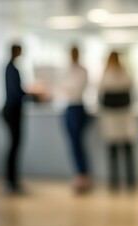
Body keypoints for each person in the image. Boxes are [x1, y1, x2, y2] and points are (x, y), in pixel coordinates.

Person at [99, 51, 136, 190]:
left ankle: (122, 182)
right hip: (114, 117)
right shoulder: (117, 73)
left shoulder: (117, 72)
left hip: (122, 117)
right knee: (117, 150)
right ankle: (120, 182)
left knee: (122, 150)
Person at [57, 46, 91, 193]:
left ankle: (83, 176)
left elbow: (74, 90)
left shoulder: (82, 70)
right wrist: (67, 90)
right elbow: (61, 88)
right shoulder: (66, 70)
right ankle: (79, 175)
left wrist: (67, 89)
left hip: (77, 108)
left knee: (77, 143)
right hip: (68, 108)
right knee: (72, 144)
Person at [2, 44, 26, 193]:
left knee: (15, 145)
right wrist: (32, 95)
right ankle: (11, 180)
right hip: (12, 111)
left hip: (13, 110)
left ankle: (12, 179)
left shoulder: (10, 68)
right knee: (13, 145)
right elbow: (16, 93)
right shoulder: (12, 69)